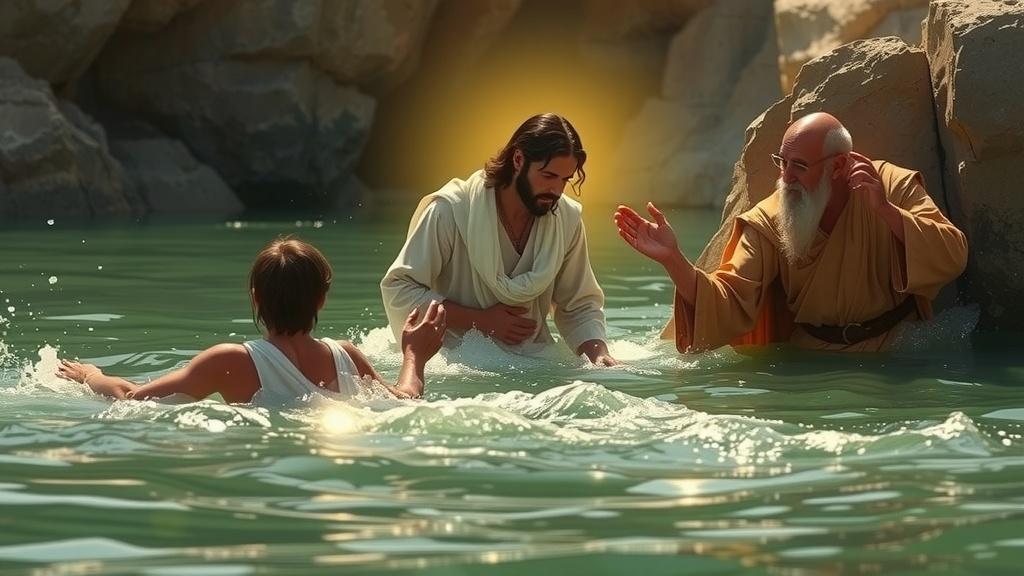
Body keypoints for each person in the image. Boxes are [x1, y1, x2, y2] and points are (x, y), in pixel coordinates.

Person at [614, 112, 968, 352]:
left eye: (799, 166)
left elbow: (952, 256)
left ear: (840, 165)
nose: (786, 177)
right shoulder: (770, 218)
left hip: (898, 350)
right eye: (781, 163)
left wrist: (885, 212)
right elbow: (729, 299)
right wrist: (673, 260)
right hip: (810, 363)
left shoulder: (891, 185)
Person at [57, 237, 446, 403]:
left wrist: (90, 375)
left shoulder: (230, 361)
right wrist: (414, 356)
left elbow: (131, 399)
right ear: (322, 299)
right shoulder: (346, 355)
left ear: (256, 298)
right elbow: (403, 401)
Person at [381, 113, 617, 365]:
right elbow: (399, 290)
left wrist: (599, 355)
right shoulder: (450, 211)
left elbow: (578, 305)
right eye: (548, 176)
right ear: (518, 160)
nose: (557, 190)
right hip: (454, 365)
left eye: (565, 180)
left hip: (536, 363)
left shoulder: (566, 220)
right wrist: (479, 321)